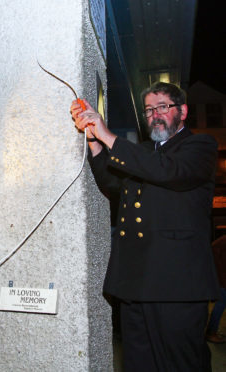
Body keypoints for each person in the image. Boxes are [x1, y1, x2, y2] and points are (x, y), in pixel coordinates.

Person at [70, 82, 220, 372]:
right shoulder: (141, 154)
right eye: (149, 110)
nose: (155, 115)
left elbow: (167, 171)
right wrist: (94, 141)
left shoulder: (200, 147)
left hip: (177, 286)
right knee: (139, 365)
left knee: (181, 364)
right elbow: (112, 184)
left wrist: (109, 135)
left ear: (183, 111)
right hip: (135, 283)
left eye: (163, 107)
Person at [206, 235, 226, 343]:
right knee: (220, 305)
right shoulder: (223, 241)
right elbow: (213, 249)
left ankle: (211, 331)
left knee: (220, 305)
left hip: (222, 279)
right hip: (223, 281)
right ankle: (211, 332)